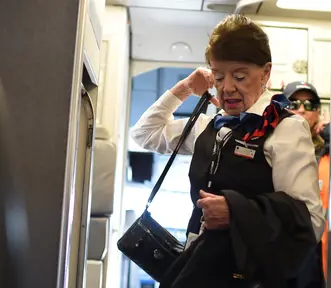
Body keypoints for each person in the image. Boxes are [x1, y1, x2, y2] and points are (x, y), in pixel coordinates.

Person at [131, 14, 325, 287]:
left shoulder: (285, 129)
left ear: (266, 73)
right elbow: (144, 134)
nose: (228, 88)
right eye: (219, 76)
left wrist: (237, 213)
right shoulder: (208, 126)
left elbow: (310, 221)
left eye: (240, 76)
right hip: (199, 267)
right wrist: (186, 87)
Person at [284, 81, 330, 279]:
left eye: (309, 105)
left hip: (318, 252)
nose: (302, 109)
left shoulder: (325, 151)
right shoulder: (268, 147)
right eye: (294, 103)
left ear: (318, 113)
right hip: (280, 251)